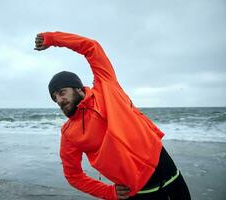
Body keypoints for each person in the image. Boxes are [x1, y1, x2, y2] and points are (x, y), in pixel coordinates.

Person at [34, 31, 191, 200]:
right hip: (139, 194)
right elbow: (73, 176)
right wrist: (109, 192)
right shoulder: (69, 134)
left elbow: (91, 47)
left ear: (78, 88)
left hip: (172, 178)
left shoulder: (106, 86)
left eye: (62, 92)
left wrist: (52, 38)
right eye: (54, 97)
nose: (59, 100)